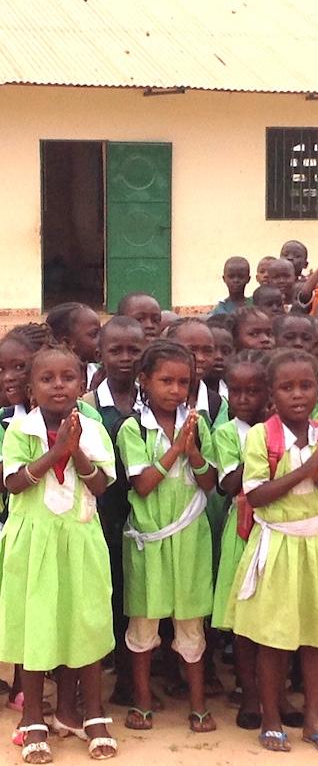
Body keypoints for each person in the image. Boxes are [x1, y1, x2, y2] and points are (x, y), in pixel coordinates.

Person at [226, 349, 318, 753]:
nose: (297, 394)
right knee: (273, 637)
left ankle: (313, 719)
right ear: (271, 395)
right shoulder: (263, 436)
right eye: (287, 387)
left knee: (317, 636)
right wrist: (307, 470)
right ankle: (272, 718)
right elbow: (257, 495)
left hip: (316, 545)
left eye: (306, 386)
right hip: (277, 545)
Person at [1, 346, 118, 763]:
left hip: (80, 537)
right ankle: (33, 716)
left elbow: (101, 485)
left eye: (67, 378)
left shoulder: (92, 427)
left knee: (84, 621)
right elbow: (13, 483)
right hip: (35, 544)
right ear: (31, 390)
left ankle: (91, 713)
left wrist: (77, 449)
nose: (58, 386)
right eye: (47, 379)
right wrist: (56, 452)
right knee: (37, 624)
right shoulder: (20, 430)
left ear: (82, 384)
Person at [117, 340, 218, 734]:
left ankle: (197, 706)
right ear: (144, 380)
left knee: (191, 622)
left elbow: (209, 482)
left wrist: (193, 451)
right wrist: (177, 448)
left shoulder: (200, 424)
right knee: (144, 622)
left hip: (191, 536)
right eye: (166, 381)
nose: (175, 390)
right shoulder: (134, 428)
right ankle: (142, 702)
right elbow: (142, 485)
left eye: (183, 382)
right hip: (150, 538)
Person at [210, 351, 278, 731]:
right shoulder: (225, 433)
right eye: (236, 392)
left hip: (279, 532)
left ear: (267, 393)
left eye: (253, 391)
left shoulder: (280, 428)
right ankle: (248, 691)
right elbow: (227, 484)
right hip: (242, 531)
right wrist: (258, 451)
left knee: (276, 613)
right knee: (245, 618)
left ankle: (278, 693)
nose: (243, 399)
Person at [80, 316, 146, 708]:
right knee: (103, 595)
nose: (125, 358)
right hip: (99, 515)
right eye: (115, 350)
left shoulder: (152, 398)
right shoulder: (87, 406)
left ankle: (129, 679)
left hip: (143, 515)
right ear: (99, 355)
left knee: (133, 597)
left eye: (133, 350)